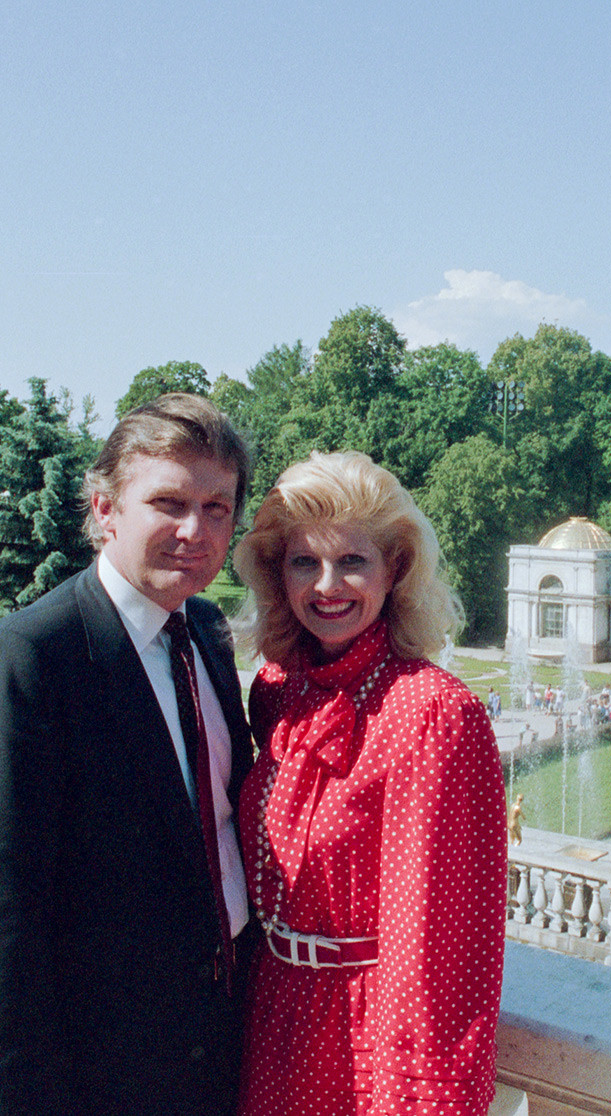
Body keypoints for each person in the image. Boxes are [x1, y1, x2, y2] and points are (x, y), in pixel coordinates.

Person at [0, 394, 254, 1116]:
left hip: (204, 1057)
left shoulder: (201, 631)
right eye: (167, 502)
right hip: (86, 1077)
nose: (193, 530)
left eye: (217, 508)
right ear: (105, 509)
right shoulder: (26, 660)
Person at [230, 450, 505, 1116]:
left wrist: (417, 1101)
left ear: (394, 571)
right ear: (278, 573)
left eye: (352, 561)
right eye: (305, 562)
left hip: (360, 1044)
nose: (327, 586)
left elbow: (440, 954)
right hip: (269, 1021)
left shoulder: (434, 715)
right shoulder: (279, 691)